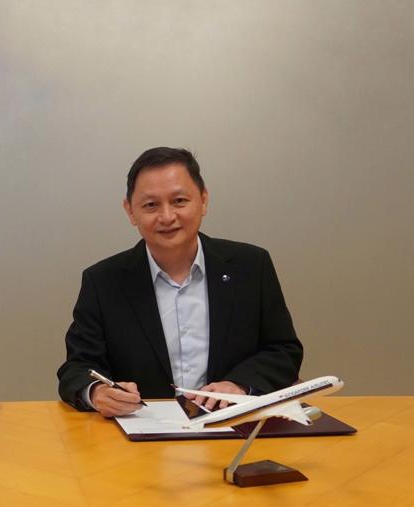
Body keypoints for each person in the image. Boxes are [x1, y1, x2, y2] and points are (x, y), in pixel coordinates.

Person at [57, 147, 302, 417]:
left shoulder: (251, 266)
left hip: (233, 425)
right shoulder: (103, 281)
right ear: (130, 211)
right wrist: (97, 392)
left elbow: (283, 350)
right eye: (151, 205)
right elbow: (77, 368)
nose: (167, 217)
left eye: (179, 201)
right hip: (141, 439)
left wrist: (240, 384)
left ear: (203, 200)